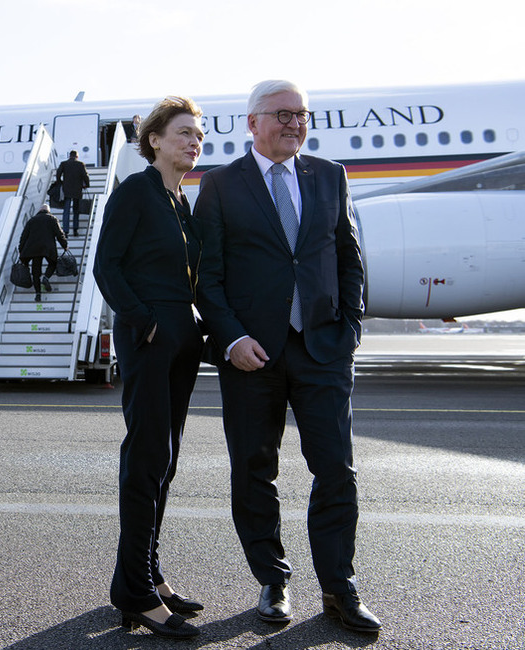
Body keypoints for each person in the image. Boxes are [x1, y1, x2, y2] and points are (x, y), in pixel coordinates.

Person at [194, 80, 380, 633]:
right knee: (254, 470)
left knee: (337, 472)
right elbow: (208, 275)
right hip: (252, 354)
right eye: (283, 114)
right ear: (253, 123)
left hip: (322, 348)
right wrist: (229, 339)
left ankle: (338, 588)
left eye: (302, 114)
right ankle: (273, 580)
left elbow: (349, 257)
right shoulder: (222, 185)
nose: (296, 123)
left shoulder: (330, 175)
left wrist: (349, 330)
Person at [92, 96, 206, 640]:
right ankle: (134, 592)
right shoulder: (135, 192)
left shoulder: (179, 201)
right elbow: (106, 265)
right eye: (183, 132)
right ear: (155, 140)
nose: (193, 140)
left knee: (167, 461)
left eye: (198, 134)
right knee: (145, 459)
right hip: (151, 337)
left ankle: (148, 575)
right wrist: (142, 322)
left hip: (183, 339)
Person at [18, 203, 68, 302]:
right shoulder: (52, 219)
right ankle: (46, 277)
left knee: (35, 273)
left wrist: (21, 250)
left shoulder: (31, 221)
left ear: (39, 211)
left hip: (33, 250)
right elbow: (59, 234)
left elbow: (23, 237)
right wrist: (65, 245)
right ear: (48, 211)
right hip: (48, 249)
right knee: (53, 263)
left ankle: (38, 294)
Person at [56, 150, 90, 237]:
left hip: (66, 190)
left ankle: (65, 231)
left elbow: (58, 173)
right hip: (77, 190)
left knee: (66, 211)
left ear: (69, 156)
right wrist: (87, 184)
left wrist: (60, 182)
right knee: (76, 211)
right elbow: (85, 175)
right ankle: (75, 230)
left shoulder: (64, 164)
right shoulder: (80, 164)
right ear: (77, 156)